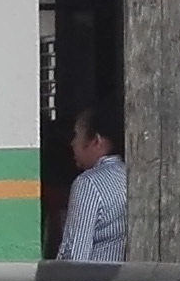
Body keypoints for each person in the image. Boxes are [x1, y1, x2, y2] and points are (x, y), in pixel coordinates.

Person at [55, 103, 128, 264]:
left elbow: (75, 258)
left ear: (96, 141)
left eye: (76, 135)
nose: (72, 143)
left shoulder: (88, 184)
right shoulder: (133, 177)